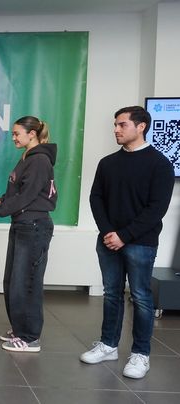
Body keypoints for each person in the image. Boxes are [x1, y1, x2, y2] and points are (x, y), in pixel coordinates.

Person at [80, 106, 174, 378]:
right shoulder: (107, 163)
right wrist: (109, 232)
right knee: (111, 294)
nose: (116, 130)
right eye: (115, 125)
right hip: (108, 240)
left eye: (122, 124)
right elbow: (96, 198)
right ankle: (108, 345)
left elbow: (156, 208)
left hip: (141, 243)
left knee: (141, 297)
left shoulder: (160, 164)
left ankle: (140, 354)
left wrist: (124, 235)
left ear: (141, 126)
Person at [0, 115, 57, 353]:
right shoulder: (28, 157)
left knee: (27, 283)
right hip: (22, 224)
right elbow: (18, 190)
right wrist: (1, 200)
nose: (14, 138)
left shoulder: (39, 160)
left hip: (34, 226)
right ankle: (20, 329)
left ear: (32, 134)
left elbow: (27, 196)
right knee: (13, 281)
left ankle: (30, 337)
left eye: (17, 134)